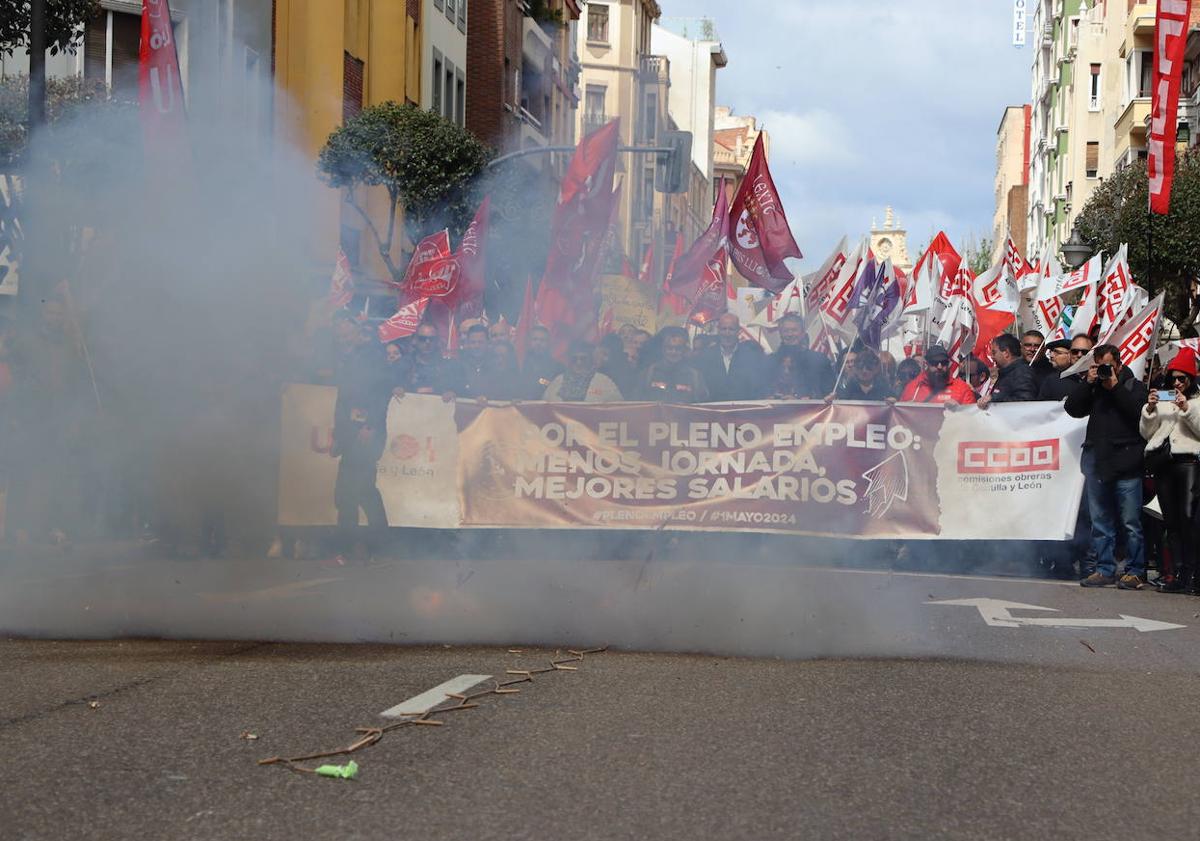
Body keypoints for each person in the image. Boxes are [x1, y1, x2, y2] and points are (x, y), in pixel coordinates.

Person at [1066, 343, 1149, 589]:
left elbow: (1138, 414)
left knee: (1130, 522)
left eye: (1107, 367)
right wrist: (1088, 383)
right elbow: (1072, 409)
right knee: (1100, 522)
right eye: (1098, 366)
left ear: (1119, 365)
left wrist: (1114, 387)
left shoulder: (1134, 386)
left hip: (1126, 464)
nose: (1103, 371)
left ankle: (1135, 571)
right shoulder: (1094, 389)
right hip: (1097, 463)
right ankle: (1104, 569)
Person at [1140, 348, 1200, 593]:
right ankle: (1174, 574)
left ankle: (1193, 573)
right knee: (1170, 521)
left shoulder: (1196, 401)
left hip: (1189, 464)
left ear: (1192, 379)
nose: (1176, 383)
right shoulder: (1163, 400)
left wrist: (1186, 408)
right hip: (1164, 464)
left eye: (1182, 378)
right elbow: (1147, 433)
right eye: (1173, 378)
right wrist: (1150, 410)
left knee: (1189, 519)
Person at [330, 312, 390, 545]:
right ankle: (376, 546)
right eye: (338, 330)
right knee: (360, 491)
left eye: (346, 330)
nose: (342, 334)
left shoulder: (371, 357)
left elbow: (379, 394)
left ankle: (349, 549)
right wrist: (340, 436)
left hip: (365, 433)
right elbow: (344, 401)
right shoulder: (347, 358)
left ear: (357, 331)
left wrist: (369, 425)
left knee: (353, 492)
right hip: (351, 434)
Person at [695, 313, 766, 401]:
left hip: (743, 411)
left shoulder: (751, 357)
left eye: (731, 329)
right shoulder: (705, 356)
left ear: (739, 331)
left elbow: (758, 388)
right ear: (718, 330)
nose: (727, 333)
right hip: (714, 412)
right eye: (724, 329)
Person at [765, 313, 834, 398]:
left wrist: (799, 400)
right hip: (776, 410)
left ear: (802, 333)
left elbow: (827, 393)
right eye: (786, 331)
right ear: (780, 334)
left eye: (794, 330)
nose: (790, 334)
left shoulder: (818, 360)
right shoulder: (770, 361)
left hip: (809, 410)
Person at [636, 326, 709, 403]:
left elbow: (702, 406)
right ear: (663, 349)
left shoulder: (695, 376)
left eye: (678, 348)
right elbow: (637, 403)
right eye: (669, 348)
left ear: (684, 350)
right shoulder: (649, 373)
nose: (673, 352)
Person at [543, 340, 624, 402]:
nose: (579, 363)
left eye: (583, 359)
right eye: (575, 359)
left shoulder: (604, 381)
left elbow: (619, 408)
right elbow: (545, 406)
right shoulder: (557, 381)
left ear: (590, 360)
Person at [393, 322, 458, 398]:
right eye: (422, 339)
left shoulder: (448, 367)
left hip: (438, 408)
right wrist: (396, 389)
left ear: (437, 341)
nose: (427, 342)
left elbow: (460, 391)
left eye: (431, 339)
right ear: (414, 340)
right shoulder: (401, 365)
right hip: (409, 408)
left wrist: (452, 392)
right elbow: (387, 387)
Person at [899, 345, 976, 404]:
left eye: (943, 363)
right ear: (927, 364)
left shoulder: (963, 389)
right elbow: (902, 416)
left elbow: (970, 420)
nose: (939, 366)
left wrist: (958, 411)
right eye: (935, 362)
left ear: (948, 363)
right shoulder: (913, 387)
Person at [980, 332, 1038, 407]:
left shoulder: (1022, 373)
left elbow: (1024, 401)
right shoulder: (1005, 373)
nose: (992, 357)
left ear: (1006, 353)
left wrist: (995, 399)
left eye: (994, 352)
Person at [1036, 336, 1091, 400]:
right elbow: (1041, 407)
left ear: (1069, 355)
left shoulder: (1096, 377)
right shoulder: (1051, 381)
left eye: (1057, 353)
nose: (1051, 356)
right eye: (1051, 352)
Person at [520, 325, 564, 399]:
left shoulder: (558, 368)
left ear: (548, 343)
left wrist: (542, 382)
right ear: (529, 342)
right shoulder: (519, 365)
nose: (538, 343)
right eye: (535, 339)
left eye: (542, 340)